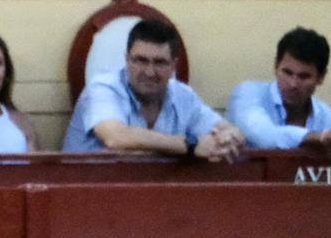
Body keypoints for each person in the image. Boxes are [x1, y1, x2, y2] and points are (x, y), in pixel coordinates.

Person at [63, 18, 244, 159]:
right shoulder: (103, 88)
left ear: (173, 65)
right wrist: (190, 146)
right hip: (88, 197)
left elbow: (226, 131)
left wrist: (228, 137)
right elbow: (116, 137)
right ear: (126, 59)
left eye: (160, 63)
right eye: (141, 61)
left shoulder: (182, 95)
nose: (150, 72)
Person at [227, 27, 331, 151]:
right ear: (276, 66)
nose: (293, 84)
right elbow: (262, 135)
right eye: (287, 72)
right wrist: (320, 138)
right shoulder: (248, 94)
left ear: (321, 77)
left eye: (304, 76)